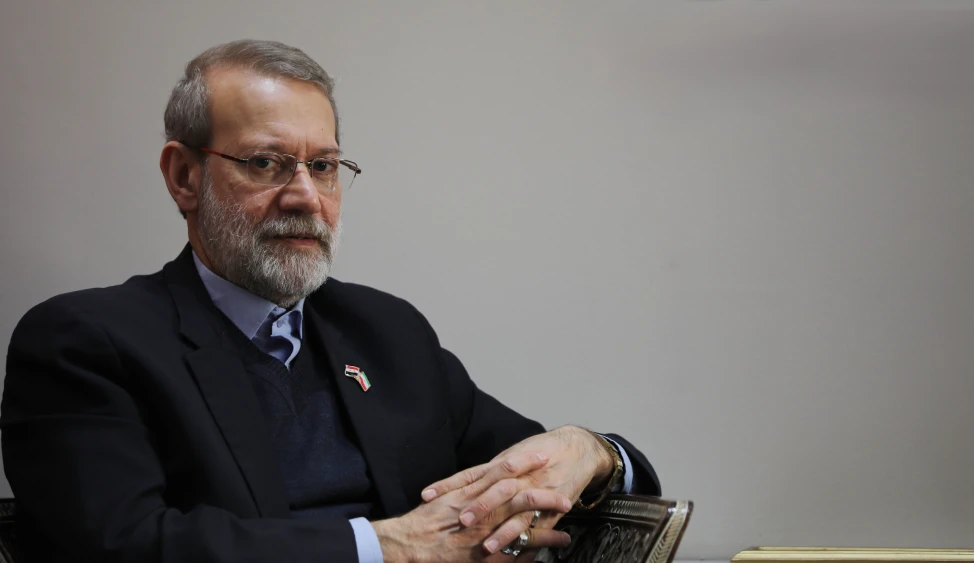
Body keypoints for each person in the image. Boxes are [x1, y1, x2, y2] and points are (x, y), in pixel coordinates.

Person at [1, 39, 659, 562]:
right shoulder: (84, 341)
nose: (305, 196)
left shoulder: (385, 332)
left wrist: (594, 452)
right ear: (184, 176)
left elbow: (527, 472)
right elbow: (127, 545)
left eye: (323, 166)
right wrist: (386, 548)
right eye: (264, 163)